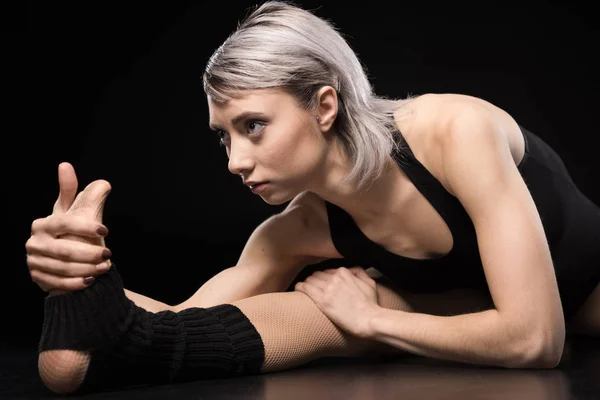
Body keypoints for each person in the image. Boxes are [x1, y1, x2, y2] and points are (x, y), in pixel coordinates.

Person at [25, 0, 600, 395]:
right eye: (223, 136)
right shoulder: (295, 232)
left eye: (253, 126)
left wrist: (372, 320)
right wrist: (76, 276)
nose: (234, 160)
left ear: (324, 106)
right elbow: (176, 322)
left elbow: (536, 339)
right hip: (489, 329)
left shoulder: (454, 132)